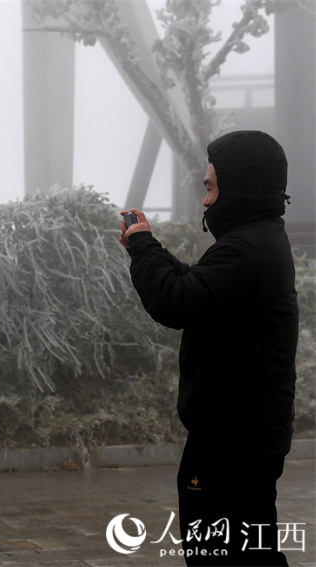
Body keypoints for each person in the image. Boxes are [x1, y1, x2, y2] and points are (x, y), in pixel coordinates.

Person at [119, 130, 298, 566]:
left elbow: (176, 301)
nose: (205, 201)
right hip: (244, 433)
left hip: (231, 440)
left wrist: (143, 246)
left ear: (237, 186)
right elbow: (199, 289)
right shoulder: (258, 241)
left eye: (211, 187)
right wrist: (149, 248)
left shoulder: (246, 248)